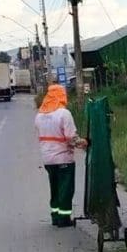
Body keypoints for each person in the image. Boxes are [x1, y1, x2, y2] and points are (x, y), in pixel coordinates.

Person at [34, 84, 86, 227]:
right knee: (65, 189)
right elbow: (71, 137)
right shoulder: (64, 113)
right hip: (63, 158)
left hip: (47, 159)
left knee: (55, 187)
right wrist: (83, 142)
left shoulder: (39, 115)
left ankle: (55, 216)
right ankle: (64, 219)